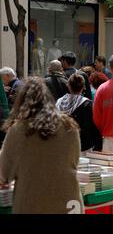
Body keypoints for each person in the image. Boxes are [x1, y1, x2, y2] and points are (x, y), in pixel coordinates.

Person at [0, 77, 82, 214]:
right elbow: (74, 162)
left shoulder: (19, 130)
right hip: (69, 204)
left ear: (20, 103)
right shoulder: (69, 126)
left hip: (32, 203)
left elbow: (4, 173)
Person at [56, 74, 102, 152]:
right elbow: (89, 128)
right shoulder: (87, 104)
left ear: (68, 86)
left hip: (62, 145)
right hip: (82, 147)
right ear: (83, 87)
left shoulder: (59, 102)